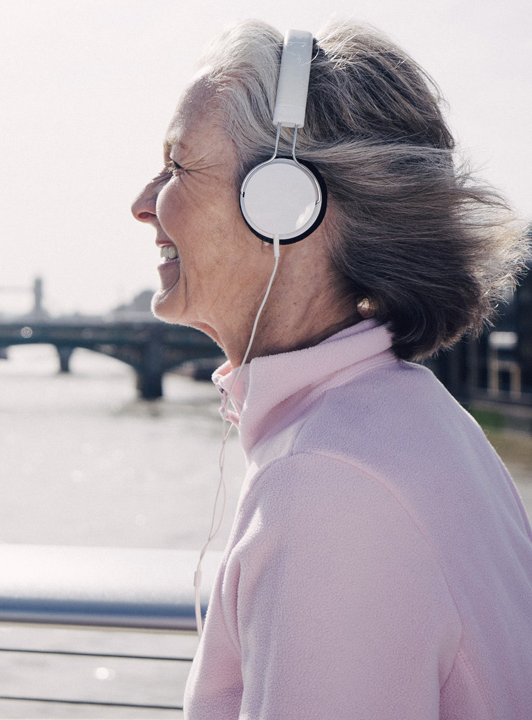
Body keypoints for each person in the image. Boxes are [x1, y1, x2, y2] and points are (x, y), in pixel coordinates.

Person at [130, 19, 532, 718]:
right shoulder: (413, 418)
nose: (142, 204)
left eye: (176, 165)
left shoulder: (325, 483)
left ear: (282, 203)